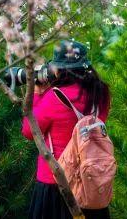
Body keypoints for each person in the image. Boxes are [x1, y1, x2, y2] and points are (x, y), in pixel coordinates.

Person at [21, 40, 111, 219]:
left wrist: (38, 94)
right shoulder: (100, 93)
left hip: (56, 184)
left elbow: (29, 131)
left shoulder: (52, 97)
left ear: (59, 69)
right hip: (90, 181)